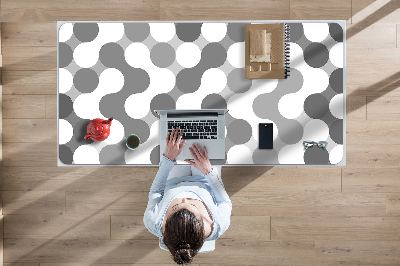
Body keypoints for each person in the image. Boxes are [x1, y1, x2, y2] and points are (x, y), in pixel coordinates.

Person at [143, 127, 232, 264]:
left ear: (166, 224)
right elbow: (224, 202)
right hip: (205, 180)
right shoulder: (219, 224)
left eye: (176, 206)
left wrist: (167, 160)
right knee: (210, 136)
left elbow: (156, 192)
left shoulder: (153, 222)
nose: (184, 198)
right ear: (203, 223)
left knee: (173, 142)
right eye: (192, 205)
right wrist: (208, 171)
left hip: (173, 181)